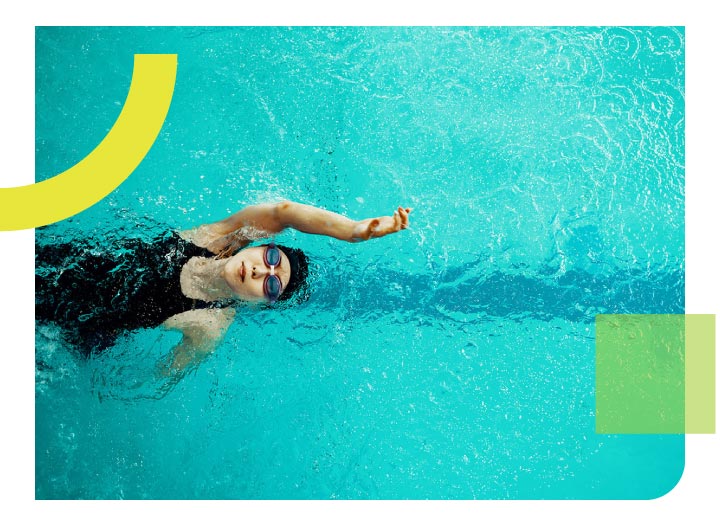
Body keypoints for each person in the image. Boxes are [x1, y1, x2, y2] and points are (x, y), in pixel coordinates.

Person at [36, 200, 412, 371]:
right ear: (261, 243)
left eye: (271, 288)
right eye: (270, 260)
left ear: (262, 305)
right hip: (65, 263)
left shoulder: (209, 325)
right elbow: (285, 213)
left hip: (71, 328)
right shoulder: (219, 238)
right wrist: (354, 231)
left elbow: (161, 375)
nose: (261, 273)